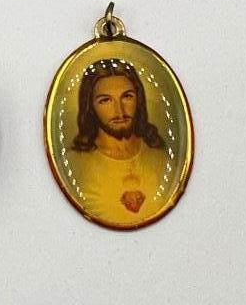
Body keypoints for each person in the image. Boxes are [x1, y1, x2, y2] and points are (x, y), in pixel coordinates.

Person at [66, 59, 173, 225]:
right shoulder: (74, 164)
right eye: (105, 100)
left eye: (127, 96)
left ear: (139, 100)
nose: (119, 111)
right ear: (90, 106)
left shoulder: (161, 159)